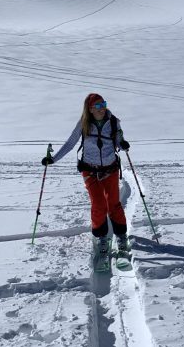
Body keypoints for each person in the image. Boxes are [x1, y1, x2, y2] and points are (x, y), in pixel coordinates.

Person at [42, 93, 131, 257]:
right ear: (90, 109)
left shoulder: (113, 121)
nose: (101, 108)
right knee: (98, 205)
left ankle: (121, 237)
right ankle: (101, 238)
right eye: (97, 106)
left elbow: (118, 139)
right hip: (89, 169)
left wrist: (122, 144)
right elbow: (70, 143)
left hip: (110, 169)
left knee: (113, 204)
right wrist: (53, 159)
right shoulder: (84, 123)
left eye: (103, 104)